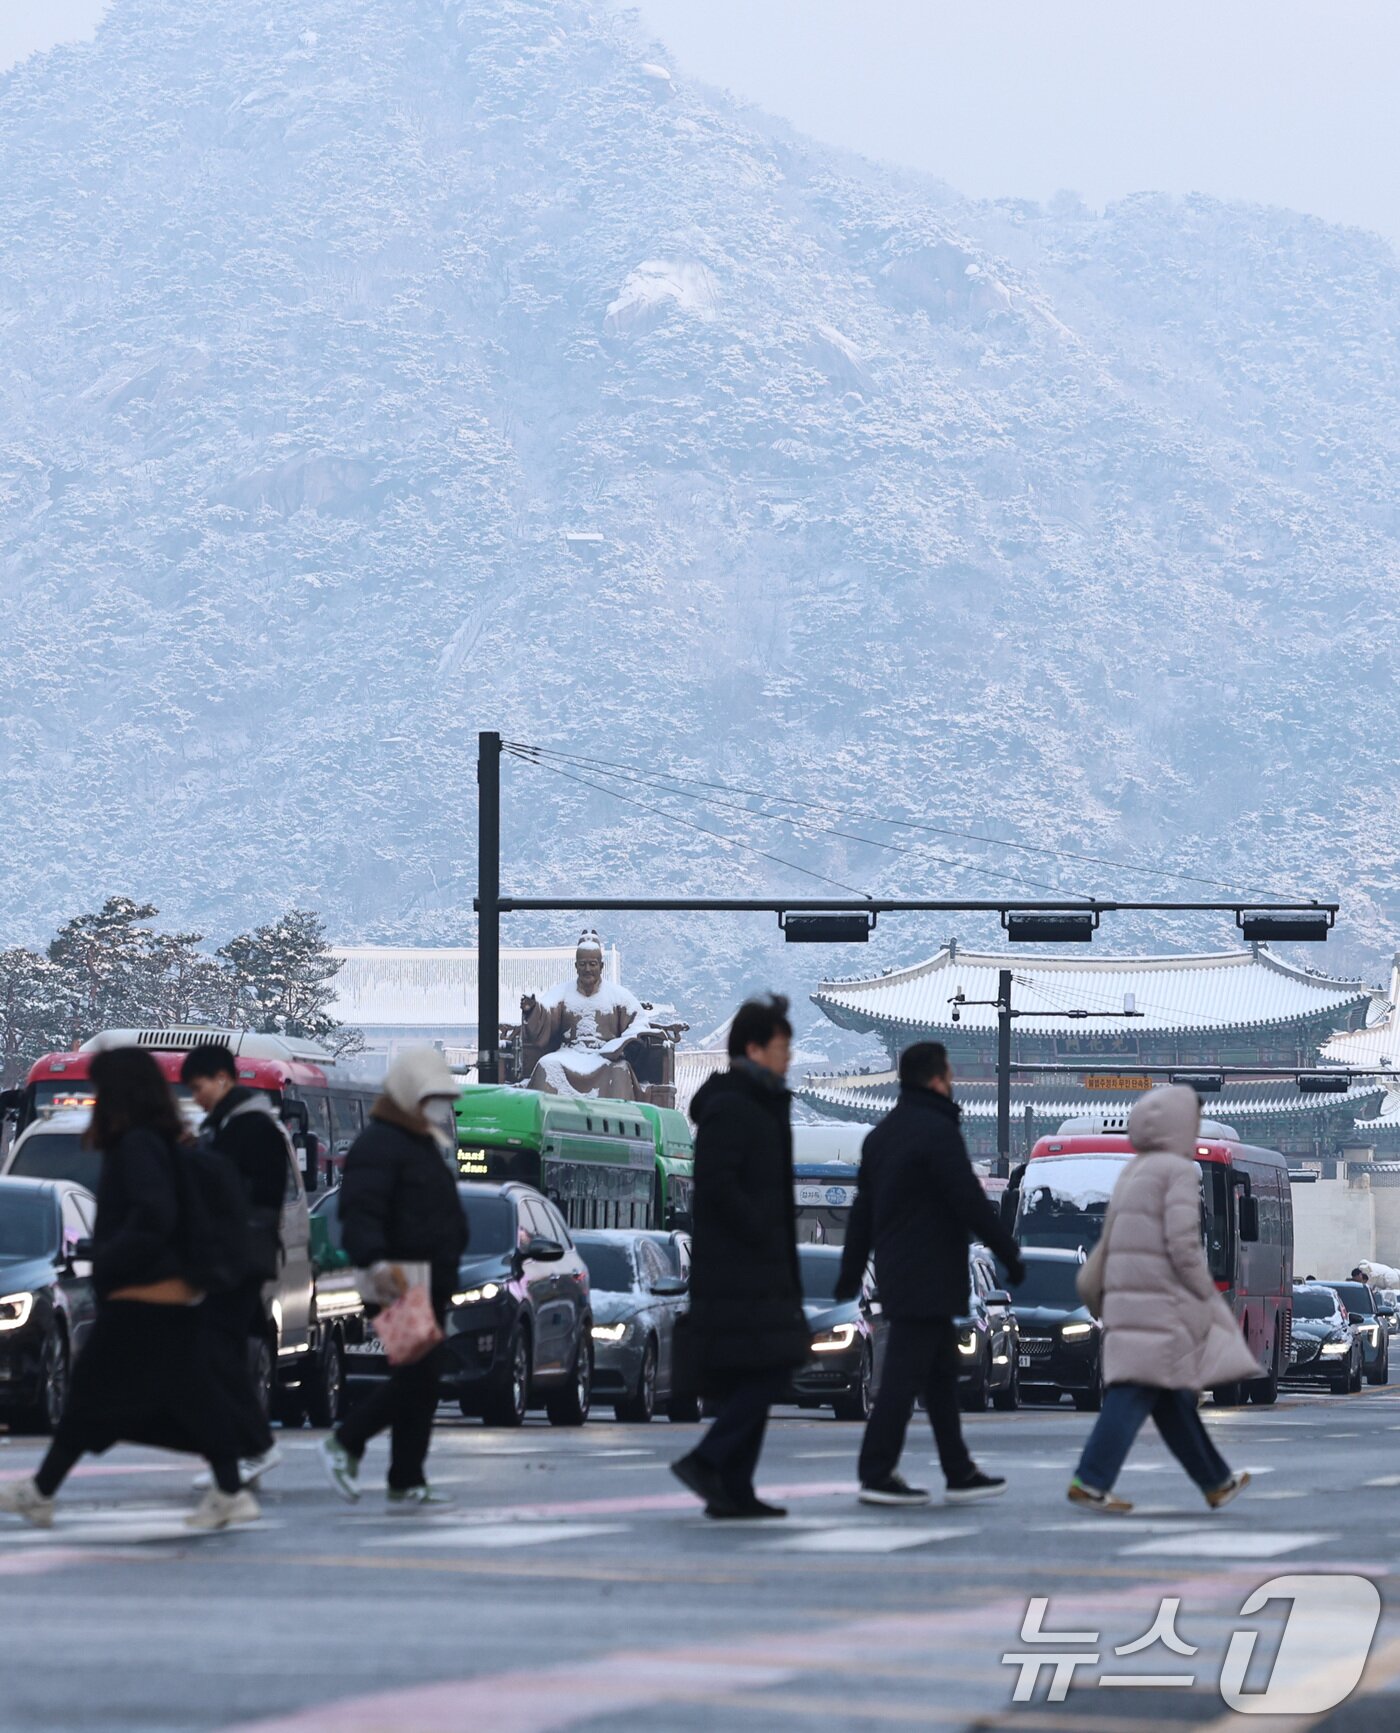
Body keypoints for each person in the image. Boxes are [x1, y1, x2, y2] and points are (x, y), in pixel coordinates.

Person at [0, 1048, 256, 1531]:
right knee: (169, 1397)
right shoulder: (160, 1140)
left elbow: (152, 1215)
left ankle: (42, 1491)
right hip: (163, 1294)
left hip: (143, 1295)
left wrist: (109, 1253)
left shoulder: (136, 1144)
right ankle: (229, 1487)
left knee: (98, 1395)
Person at [836, 1041, 1025, 1508]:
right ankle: (877, 1470)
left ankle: (958, 1469)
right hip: (932, 1274)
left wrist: (849, 1271)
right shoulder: (938, 1132)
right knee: (903, 1376)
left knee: (940, 1378)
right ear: (938, 1078)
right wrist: (1008, 1252)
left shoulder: (880, 1137)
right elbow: (968, 1200)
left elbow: (862, 1213)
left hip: (899, 1272)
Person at [1068, 1084, 1258, 1515]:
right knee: (1134, 1391)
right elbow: (1183, 1244)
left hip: (1127, 1298)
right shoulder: (1176, 1170)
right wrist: (1202, 1289)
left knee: (1170, 1398)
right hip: (1158, 1303)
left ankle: (1216, 1481)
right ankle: (1091, 1479)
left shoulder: (1135, 1169)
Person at [671, 995, 809, 1520]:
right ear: (754, 1048)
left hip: (758, 1266)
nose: (788, 1056)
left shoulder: (760, 1102)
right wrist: (760, 1229)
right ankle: (708, 1461)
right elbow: (719, 1186)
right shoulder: (734, 1107)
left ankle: (734, 1488)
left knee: (750, 1378)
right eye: (781, 1046)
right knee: (766, 1373)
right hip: (739, 1270)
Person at [318, 1047, 467, 1509]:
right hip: (398, 1278)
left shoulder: (420, 1142)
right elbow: (361, 1210)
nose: (439, 1109)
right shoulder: (380, 1145)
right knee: (418, 1377)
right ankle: (349, 1441)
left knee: (420, 1379)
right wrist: (375, 1261)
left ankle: (406, 1475)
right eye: (430, 1098)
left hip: (427, 1278)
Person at [181, 1042, 286, 1490]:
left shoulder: (252, 1128)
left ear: (223, 1079)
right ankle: (239, 1452)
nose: (196, 1097)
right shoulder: (223, 1125)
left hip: (238, 1258)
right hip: (228, 1257)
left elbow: (253, 1194)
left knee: (219, 1354)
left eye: (198, 1087)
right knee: (221, 1354)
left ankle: (253, 1447)